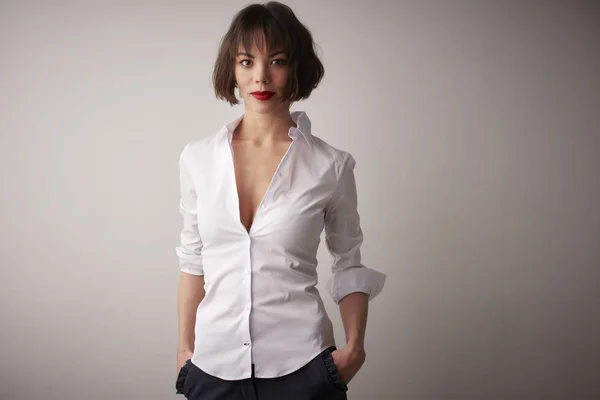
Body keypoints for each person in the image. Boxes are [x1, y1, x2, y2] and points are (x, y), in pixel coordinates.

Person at [174, 2, 386, 399]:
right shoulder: (197, 158)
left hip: (303, 370)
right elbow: (192, 260)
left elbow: (348, 262)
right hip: (212, 368)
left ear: (296, 68)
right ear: (232, 69)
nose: (261, 76)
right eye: (246, 60)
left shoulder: (330, 166)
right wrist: (185, 352)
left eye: (277, 60)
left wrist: (353, 350)